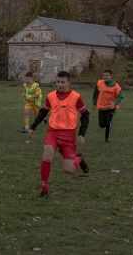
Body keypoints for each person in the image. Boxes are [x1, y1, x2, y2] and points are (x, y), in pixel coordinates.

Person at [28, 70, 90, 198]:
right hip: (53, 132)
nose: (60, 85)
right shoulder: (51, 96)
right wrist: (33, 127)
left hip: (69, 136)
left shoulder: (76, 97)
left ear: (69, 83)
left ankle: (79, 158)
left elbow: (85, 115)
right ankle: (44, 188)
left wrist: (82, 133)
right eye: (58, 82)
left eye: (63, 82)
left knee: (69, 170)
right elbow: (43, 112)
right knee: (47, 155)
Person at [92, 69, 123, 142]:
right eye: (104, 75)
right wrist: (94, 103)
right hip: (101, 106)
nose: (105, 77)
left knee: (108, 122)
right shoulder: (99, 83)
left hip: (111, 107)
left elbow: (120, 96)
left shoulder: (116, 86)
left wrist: (115, 103)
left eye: (107, 75)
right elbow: (95, 93)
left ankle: (107, 138)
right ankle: (108, 123)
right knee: (102, 125)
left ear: (111, 76)